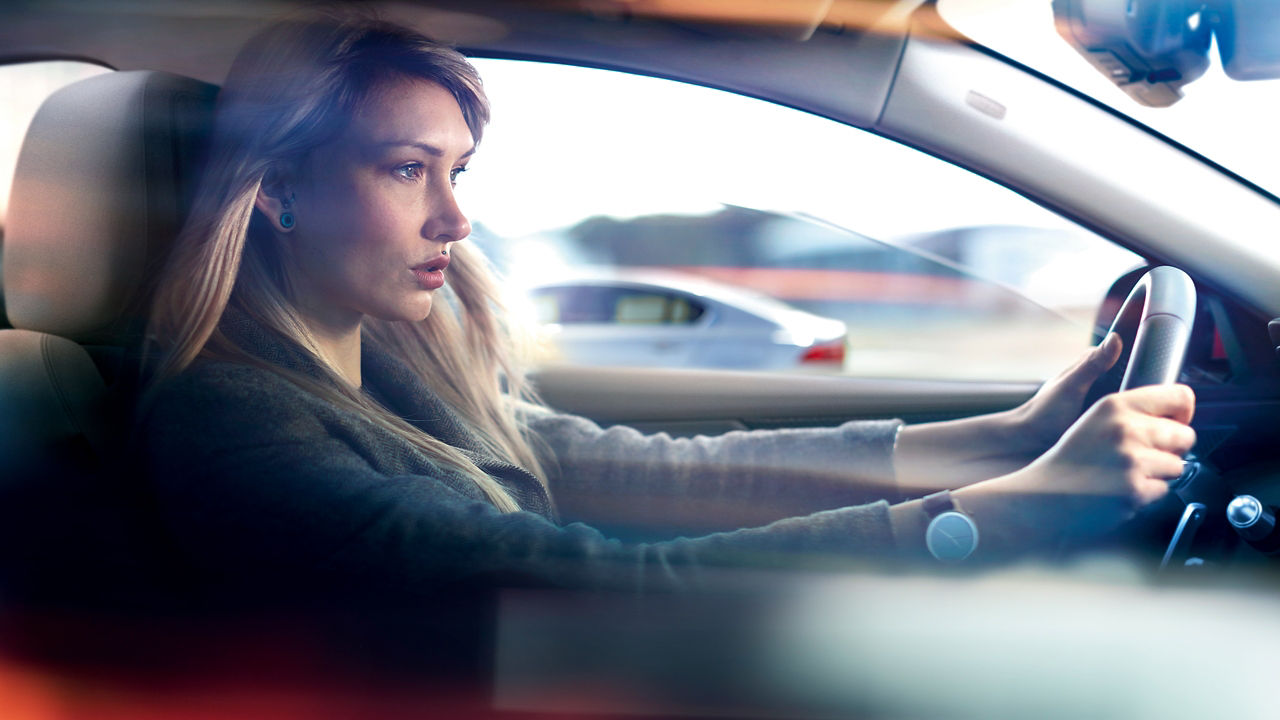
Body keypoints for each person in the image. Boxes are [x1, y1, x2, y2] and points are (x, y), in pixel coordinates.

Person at [137, 12, 1196, 607]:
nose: (456, 221)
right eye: (408, 170)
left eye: (458, 171)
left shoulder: (390, 363)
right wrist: (1006, 513)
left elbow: (659, 470)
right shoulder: (232, 424)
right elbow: (584, 585)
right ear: (275, 191)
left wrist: (1009, 437)